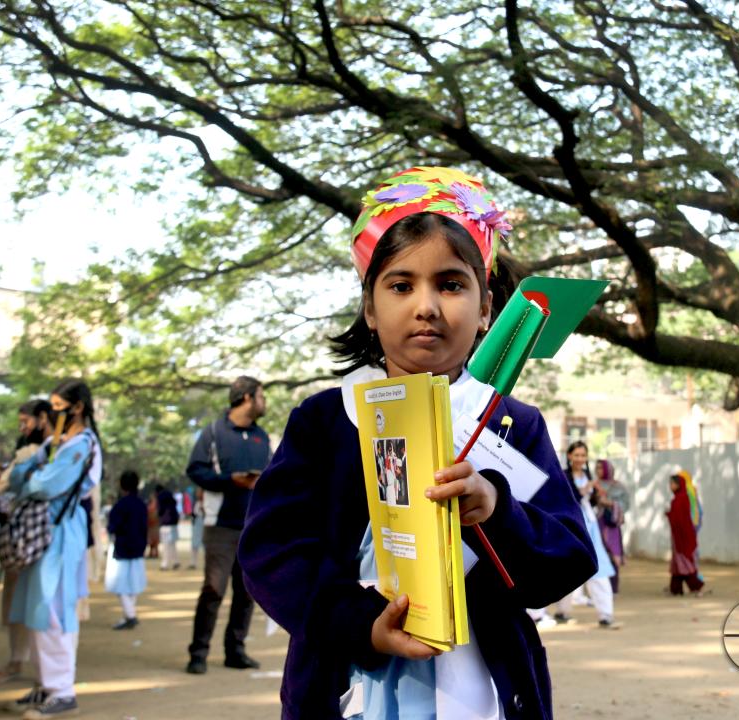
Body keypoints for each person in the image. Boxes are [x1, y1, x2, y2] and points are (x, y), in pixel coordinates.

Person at [238, 167, 596, 719]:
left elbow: (568, 556)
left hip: (482, 687)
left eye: (451, 284)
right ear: (370, 308)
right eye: (401, 285)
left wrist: (496, 509)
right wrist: (360, 624)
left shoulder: (511, 425)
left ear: (485, 310)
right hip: (349, 680)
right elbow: (271, 551)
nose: (426, 305)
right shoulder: (327, 420)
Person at [8, 379, 103, 719]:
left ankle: (62, 690)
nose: (52, 414)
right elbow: (18, 475)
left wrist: (32, 475)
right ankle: (47, 684)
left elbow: (46, 484)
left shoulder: (81, 445)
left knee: (53, 611)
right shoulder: (57, 443)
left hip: (61, 534)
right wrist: (31, 474)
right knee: (39, 611)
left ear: (76, 408)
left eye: (58, 407)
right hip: (46, 533)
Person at [184, 375, 271, 674]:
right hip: (220, 525)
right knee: (213, 590)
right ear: (246, 397)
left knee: (246, 593)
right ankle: (198, 653)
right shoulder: (213, 432)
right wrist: (229, 481)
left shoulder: (262, 437)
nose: (264, 402)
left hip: (254, 527)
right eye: (261, 395)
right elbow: (195, 470)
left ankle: (236, 650)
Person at [0, 399, 52, 683]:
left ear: (42, 418)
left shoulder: (58, 447)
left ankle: (46, 671)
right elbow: (10, 483)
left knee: (42, 602)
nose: (23, 427)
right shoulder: (28, 448)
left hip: (41, 531)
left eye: (26, 421)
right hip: (20, 532)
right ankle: (17, 659)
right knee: (15, 598)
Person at [554, 441, 617, 627]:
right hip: (572, 526)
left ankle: (606, 614)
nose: (580, 459)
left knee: (599, 568)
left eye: (583, 455)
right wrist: (584, 490)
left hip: (590, 527)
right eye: (577, 455)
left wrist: (598, 496)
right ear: (569, 456)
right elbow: (566, 500)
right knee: (567, 568)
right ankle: (561, 610)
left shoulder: (588, 475)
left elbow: (592, 502)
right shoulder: (563, 476)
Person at [105, 470, 148, 629]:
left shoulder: (120, 505)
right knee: (134, 583)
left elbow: (112, 527)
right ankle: (129, 612)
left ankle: (130, 615)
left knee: (120, 584)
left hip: (122, 549)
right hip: (138, 548)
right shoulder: (141, 504)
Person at [666, 470, 707, 596]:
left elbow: (681, 518)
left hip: (683, 536)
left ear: (679, 484)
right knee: (678, 563)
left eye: (673, 483)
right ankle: (676, 588)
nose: (671, 486)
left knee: (684, 562)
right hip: (678, 536)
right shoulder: (678, 499)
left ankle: (695, 585)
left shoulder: (682, 499)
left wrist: (669, 515)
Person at [593, 459, 627, 593]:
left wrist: (610, 503)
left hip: (612, 526)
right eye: (597, 468)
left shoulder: (618, 486)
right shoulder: (593, 484)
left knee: (613, 554)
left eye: (601, 468)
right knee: (600, 553)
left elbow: (626, 504)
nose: (598, 471)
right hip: (597, 523)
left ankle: (613, 587)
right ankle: (601, 587)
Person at [156, 483, 181, 570]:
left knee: (166, 545)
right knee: (172, 544)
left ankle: (165, 563)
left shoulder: (161, 498)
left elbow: (160, 511)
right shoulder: (171, 499)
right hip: (173, 523)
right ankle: (175, 561)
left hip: (165, 524)